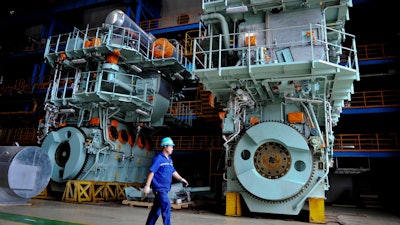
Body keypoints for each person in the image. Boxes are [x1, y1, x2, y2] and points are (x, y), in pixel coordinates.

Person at [143, 137, 189, 225]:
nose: (172, 148)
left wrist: (181, 179)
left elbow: (173, 171)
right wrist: (147, 185)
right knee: (166, 206)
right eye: (171, 146)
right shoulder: (158, 159)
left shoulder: (169, 160)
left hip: (165, 189)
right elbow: (152, 172)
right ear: (165, 147)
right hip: (160, 190)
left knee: (156, 211)